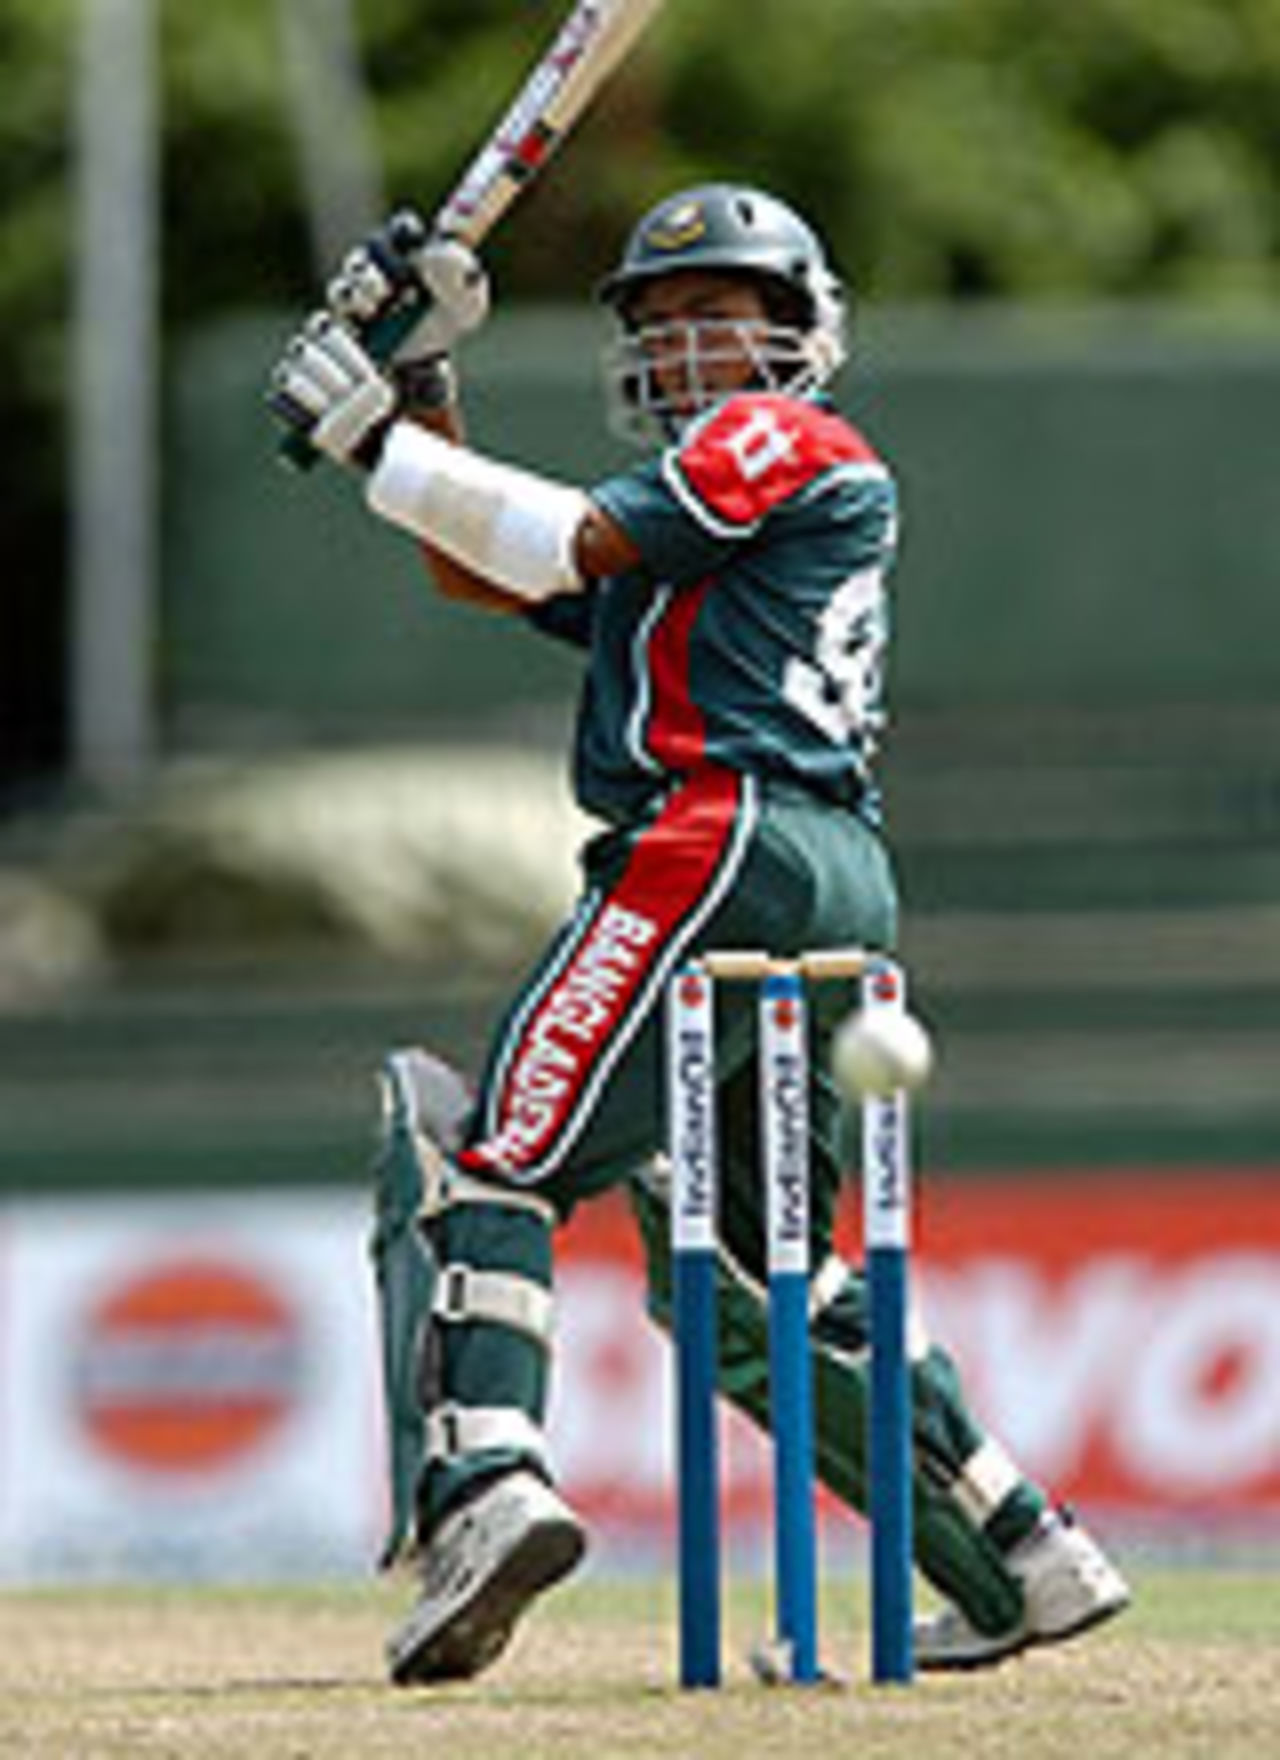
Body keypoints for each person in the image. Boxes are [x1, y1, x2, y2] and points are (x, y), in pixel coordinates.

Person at [268, 183, 1130, 1684]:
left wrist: (367, 442)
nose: (688, 348)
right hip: (833, 872)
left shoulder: (773, 444)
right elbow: (492, 561)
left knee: (482, 1156)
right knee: (745, 1264)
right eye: (663, 325)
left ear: (800, 335)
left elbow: (565, 537)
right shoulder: (698, 531)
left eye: (722, 319)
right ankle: (1019, 1549)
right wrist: (418, 387)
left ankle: (484, 1490)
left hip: (718, 840)